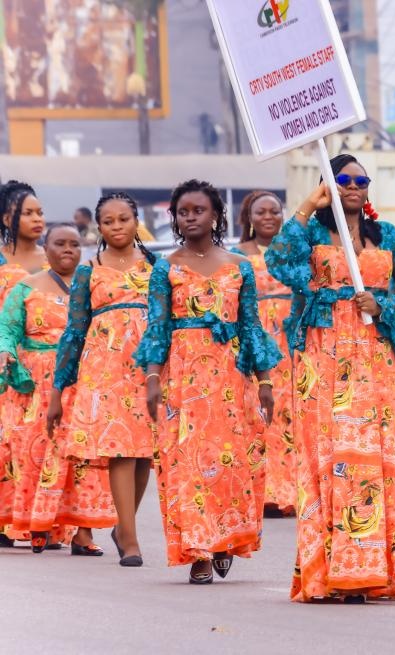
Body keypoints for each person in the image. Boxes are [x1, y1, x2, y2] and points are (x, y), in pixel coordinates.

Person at [265, 154, 395, 603]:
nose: (352, 186)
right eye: (341, 180)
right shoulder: (311, 234)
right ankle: (330, 570)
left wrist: (383, 306)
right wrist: (305, 206)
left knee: (372, 459)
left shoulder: (387, 235)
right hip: (323, 358)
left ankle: (374, 569)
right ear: (326, 186)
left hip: (375, 359)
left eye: (360, 179)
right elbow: (279, 264)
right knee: (330, 457)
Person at [134, 179, 280, 585]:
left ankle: (224, 539)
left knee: (231, 462)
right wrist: (151, 377)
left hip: (232, 378)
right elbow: (157, 327)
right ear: (176, 219)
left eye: (198, 210)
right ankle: (198, 549)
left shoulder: (240, 266)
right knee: (186, 464)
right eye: (183, 212)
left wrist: (265, 381)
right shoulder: (165, 268)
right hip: (183, 379)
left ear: (215, 214)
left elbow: (251, 328)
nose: (190, 217)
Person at [48, 192, 157, 567]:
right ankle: (129, 537)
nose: (116, 226)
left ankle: (122, 523)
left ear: (135, 220)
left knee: (145, 453)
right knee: (120, 449)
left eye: (123, 219)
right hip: (105, 370)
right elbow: (74, 332)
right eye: (108, 221)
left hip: (149, 367)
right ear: (100, 227)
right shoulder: (88, 270)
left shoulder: (156, 266)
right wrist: (57, 391)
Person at [0, 224, 115, 554]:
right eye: (60, 244)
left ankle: (82, 533)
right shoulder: (26, 287)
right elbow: (6, 329)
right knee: (38, 452)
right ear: (46, 248)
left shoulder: (91, 286)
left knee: (81, 454)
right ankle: (41, 526)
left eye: (75, 244)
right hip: (37, 382)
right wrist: (6, 352)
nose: (68, 249)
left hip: (82, 376)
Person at [232, 190, 296, 517]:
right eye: (261, 212)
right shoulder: (236, 255)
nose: (269, 217)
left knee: (290, 416)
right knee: (258, 412)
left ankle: (290, 490)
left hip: (292, 342)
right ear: (249, 218)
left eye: (275, 211)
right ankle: (263, 489)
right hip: (257, 338)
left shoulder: (293, 252)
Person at [0, 180, 49, 548]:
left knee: (36, 445)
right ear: (7, 217)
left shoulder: (54, 259)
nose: (37, 219)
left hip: (40, 367)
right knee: (6, 444)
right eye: (28, 213)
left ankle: (41, 521)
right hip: (4, 363)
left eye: (40, 212)